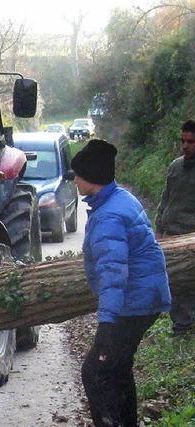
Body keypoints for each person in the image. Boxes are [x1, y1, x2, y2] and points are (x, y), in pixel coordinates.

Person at [71, 139, 171, 427]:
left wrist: (106, 324)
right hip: (144, 300)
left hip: (134, 304)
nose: (75, 179)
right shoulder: (120, 198)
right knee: (118, 367)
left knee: (96, 373)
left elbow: (113, 276)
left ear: (92, 177)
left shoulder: (109, 217)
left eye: (78, 174)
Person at [155, 119, 195, 335]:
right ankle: (181, 324)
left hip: (191, 238)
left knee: (189, 283)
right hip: (171, 236)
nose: (185, 145)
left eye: (191, 141)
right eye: (183, 140)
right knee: (175, 282)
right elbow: (165, 199)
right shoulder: (175, 166)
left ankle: (185, 325)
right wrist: (159, 229)